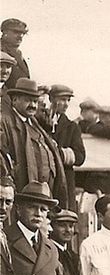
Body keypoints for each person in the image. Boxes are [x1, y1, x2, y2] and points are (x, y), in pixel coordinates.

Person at [1, 78, 70, 207]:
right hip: (21, 196)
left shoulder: (35, 123)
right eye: (27, 100)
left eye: (35, 101)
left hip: (43, 197)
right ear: (15, 99)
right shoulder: (5, 122)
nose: (33, 105)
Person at [46, 85, 86, 208]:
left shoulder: (72, 127)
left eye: (68, 100)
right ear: (51, 99)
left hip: (64, 180)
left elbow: (80, 157)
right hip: (45, 179)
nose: (66, 104)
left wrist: (58, 154)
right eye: (62, 99)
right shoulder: (40, 123)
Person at [1, 19, 30, 91]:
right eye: (16, 32)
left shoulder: (18, 54)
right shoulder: (1, 51)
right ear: (5, 32)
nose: (20, 36)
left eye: (23, 33)